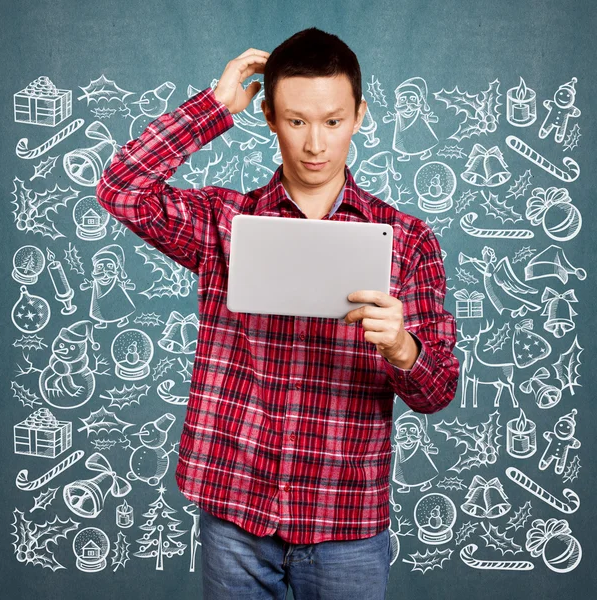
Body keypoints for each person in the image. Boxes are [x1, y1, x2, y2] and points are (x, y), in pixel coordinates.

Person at [96, 26, 459, 600]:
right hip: (235, 510)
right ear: (268, 118)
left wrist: (402, 348)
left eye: (333, 121)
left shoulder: (408, 242)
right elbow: (122, 190)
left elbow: (438, 391)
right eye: (296, 121)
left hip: (346, 523)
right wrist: (214, 108)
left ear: (360, 115)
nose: (315, 143)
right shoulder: (223, 222)